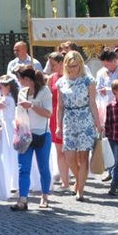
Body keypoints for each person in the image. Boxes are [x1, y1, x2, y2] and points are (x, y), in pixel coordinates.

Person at [55, 52, 99, 202]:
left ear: (80, 64)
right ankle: (79, 178)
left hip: (85, 118)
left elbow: (93, 103)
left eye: (75, 65)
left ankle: (80, 189)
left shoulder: (88, 81)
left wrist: (97, 123)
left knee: (83, 156)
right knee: (69, 156)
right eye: (70, 65)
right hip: (69, 119)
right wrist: (58, 126)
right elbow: (60, 107)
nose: (73, 68)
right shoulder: (61, 82)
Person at [10, 65, 53, 210]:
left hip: (41, 134)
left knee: (43, 167)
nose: (18, 81)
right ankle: (23, 199)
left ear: (27, 79)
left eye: (20, 78)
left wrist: (32, 106)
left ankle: (45, 196)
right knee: (23, 168)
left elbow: (48, 113)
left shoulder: (44, 91)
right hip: (25, 134)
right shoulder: (22, 92)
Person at [46, 52, 70, 190]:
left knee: (73, 151)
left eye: (53, 65)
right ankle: (65, 182)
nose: (51, 67)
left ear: (61, 63)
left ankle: (78, 179)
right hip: (55, 114)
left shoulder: (70, 77)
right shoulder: (51, 78)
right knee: (60, 150)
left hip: (70, 114)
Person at [0, 75, 19, 193]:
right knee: (8, 153)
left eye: (1, 87)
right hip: (6, 127)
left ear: (8, 87)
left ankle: (12, 181)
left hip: (9, 128)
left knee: (9, 153)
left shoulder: (7, 99)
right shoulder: (9, 98)